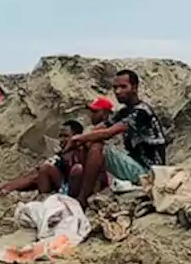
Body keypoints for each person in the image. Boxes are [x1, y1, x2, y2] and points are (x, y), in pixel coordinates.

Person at [65, 71, 167, 207]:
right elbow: (100, 129)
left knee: (98, 147)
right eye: (115, 88)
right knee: (89, 142)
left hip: (149, 173)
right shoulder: (125, 111)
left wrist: (79, 138)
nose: (118, 91)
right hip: (136, 165)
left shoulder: (141, 112)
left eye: (123, 87)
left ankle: (82, 198)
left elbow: (108, 133)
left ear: (135, 87)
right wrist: (82, 139)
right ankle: (84, 191)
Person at [0, 120, 103, 200]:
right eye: (60, 136)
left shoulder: (82, 149)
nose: (62, 140)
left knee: (39, 172)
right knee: (33, 174)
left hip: (70, 188)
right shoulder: (64, 152)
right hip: (59, 182)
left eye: (66, 136)